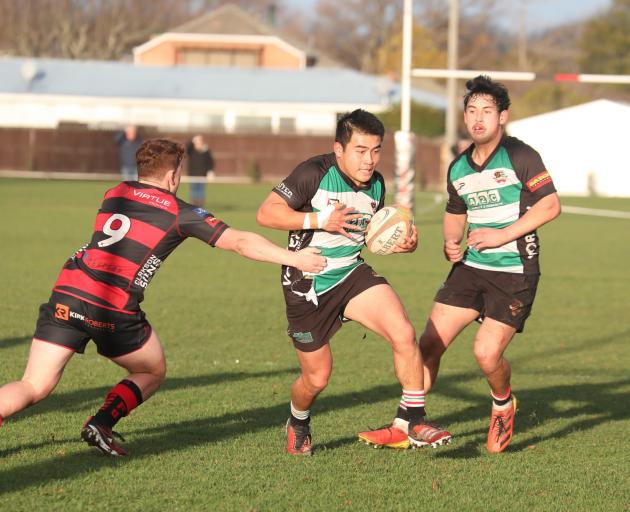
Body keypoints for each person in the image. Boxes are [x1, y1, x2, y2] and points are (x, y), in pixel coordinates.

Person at [0, 139, 326, 457]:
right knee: (152, 372)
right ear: (173, 176)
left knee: (33, 385)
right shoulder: (178, 212)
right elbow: (240, 242)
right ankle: (101, 422)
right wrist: (294, 258)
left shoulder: (115, 192)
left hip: (67, 294)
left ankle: (90, 423)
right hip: (112, 308)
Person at [256, 109, 452, 455]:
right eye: (360, 150)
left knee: (404, 334)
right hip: (308, 281)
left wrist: (402, 243)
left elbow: (369, 235)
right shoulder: (313, 174)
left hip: (350, 272)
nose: (369, 160)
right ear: (339, 149)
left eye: (376, 150)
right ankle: (298, 419)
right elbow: (266, 213)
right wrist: (320, 220)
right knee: (316, 378)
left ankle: (413, 420)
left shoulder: (376, 184)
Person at [417, 75, 560, 453]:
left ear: (503, 117)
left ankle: (502, 404)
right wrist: (451, 240)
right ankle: (409, 419)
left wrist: (501, 235)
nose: (478, 118)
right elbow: (455, 211)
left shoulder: (520, 155)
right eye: (472, 111)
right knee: (428, 344)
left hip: (514, 271)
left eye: (487, 111)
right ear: (465, 117)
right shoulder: (458, 168)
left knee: (485, 354)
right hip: (471, 268)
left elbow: (550, 205)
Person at [186, 134, 215, 207]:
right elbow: (187, 146)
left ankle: (200, 207)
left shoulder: (206, 151)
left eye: (200, 141)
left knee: (201, 192)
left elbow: (210, 162)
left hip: (202, 175)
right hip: (193, 175)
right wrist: (192, 140)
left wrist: (210, 171)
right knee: (193, 191)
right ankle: (193, 206)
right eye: (197, 141)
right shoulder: (191, 150)